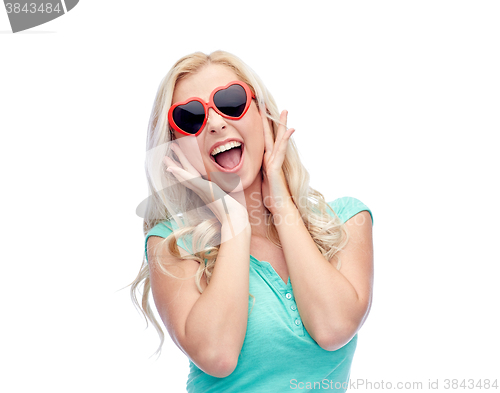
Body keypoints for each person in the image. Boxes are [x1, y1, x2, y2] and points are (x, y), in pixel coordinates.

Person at [130, 50, 374, 392]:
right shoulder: (171, 245)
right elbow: (217, 354)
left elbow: (333, 328)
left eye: (230, 102)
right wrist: (234, 222)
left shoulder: (346, 221)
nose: (215, 123)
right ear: (176, 150)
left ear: (264, 116)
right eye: (190, 117)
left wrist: (281, 204)